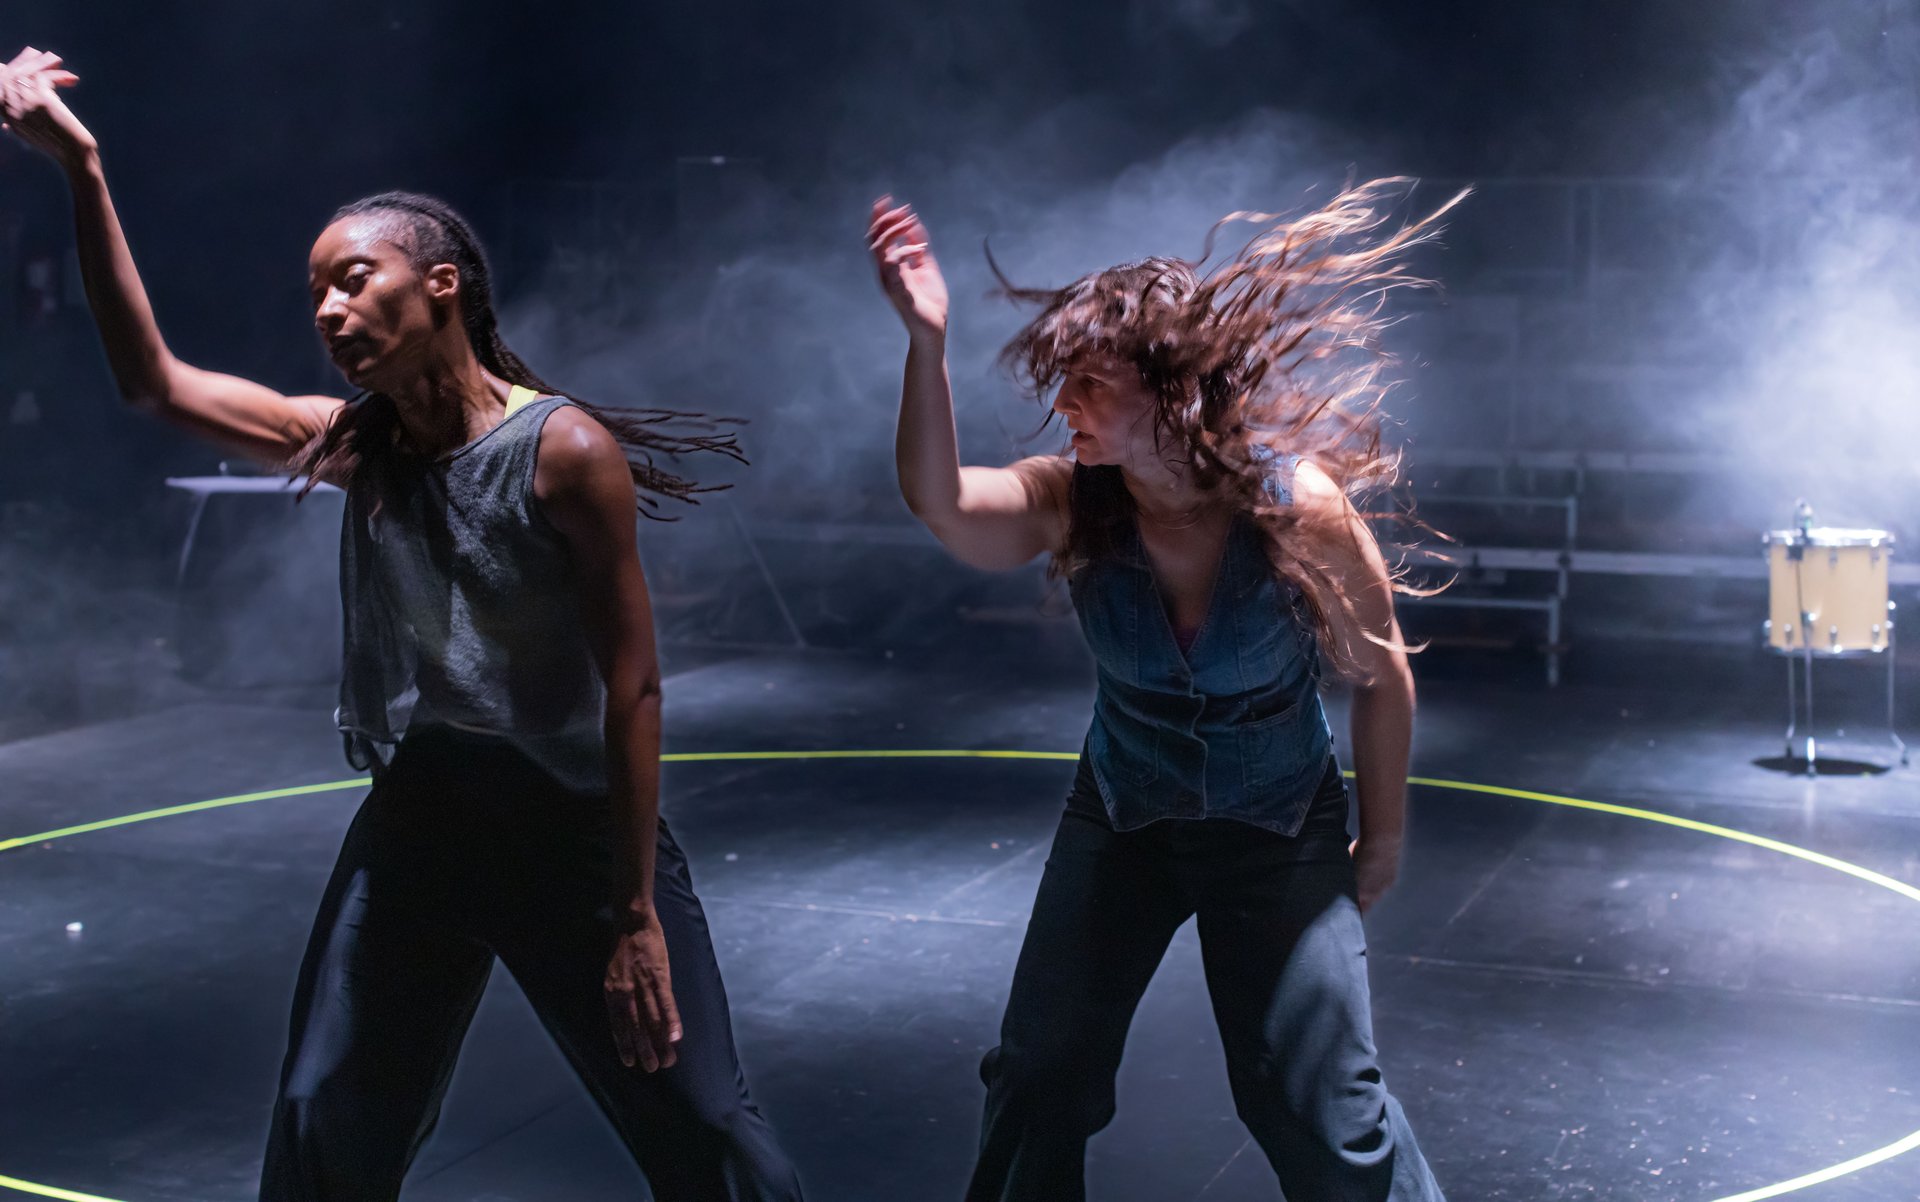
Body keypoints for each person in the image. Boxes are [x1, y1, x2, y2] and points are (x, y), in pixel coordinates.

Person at [2, 47, 802, 1201]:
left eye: (353, 279)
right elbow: (155, 383)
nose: (328, 311)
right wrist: (82, 172)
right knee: (322, 1117)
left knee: (706, 1125)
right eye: (315, 295)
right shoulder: (358, 445)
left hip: (568, 829)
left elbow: (634, 689)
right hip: (426, 814)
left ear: (440, 286)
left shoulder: (563, 450)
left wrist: (634, 915)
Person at [867, 181, 1459, 1201]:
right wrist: (927, 341)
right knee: (1039, 1074)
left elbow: (1382, 670)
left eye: (1090, 383)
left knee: (1318, 1104)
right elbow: (945, 502)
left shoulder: (1297, 507)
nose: (1065, 403)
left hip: (1276, 823)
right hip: (1124, 813)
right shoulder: (1070, 496)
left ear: (1169, 390)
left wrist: (1384, 841)